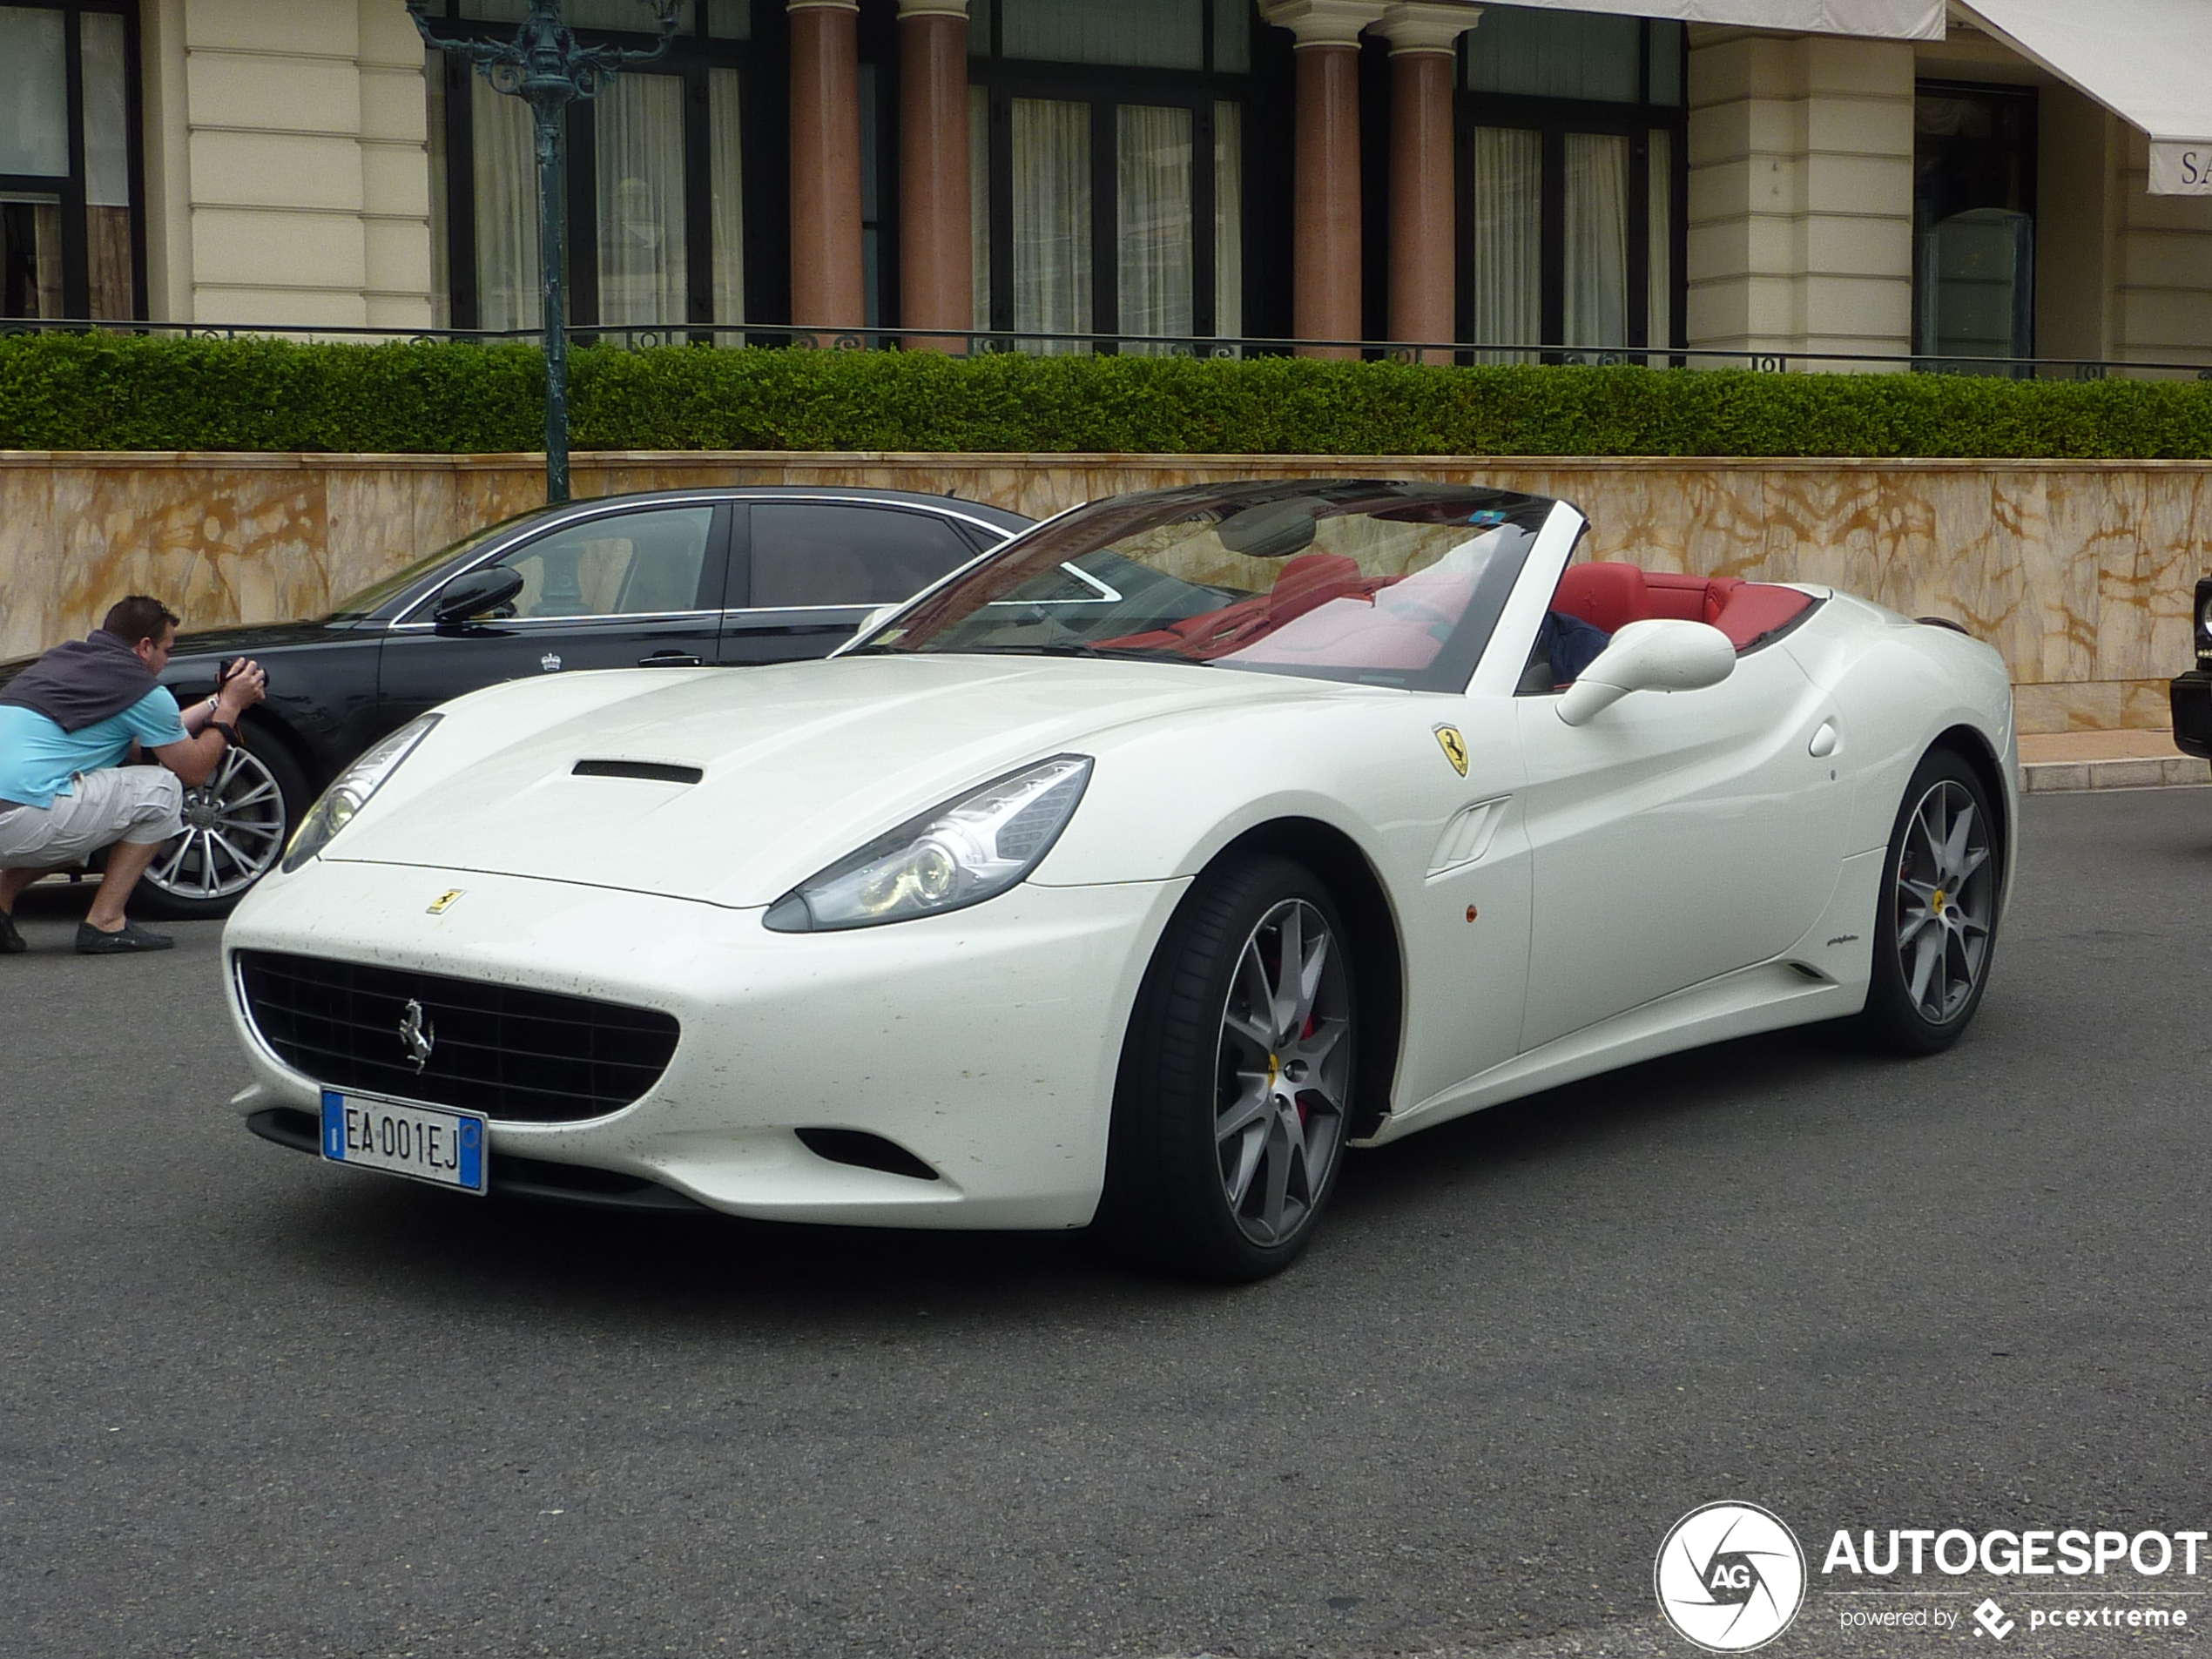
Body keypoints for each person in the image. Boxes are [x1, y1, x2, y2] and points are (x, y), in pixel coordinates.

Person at [0, 596, 266, 954]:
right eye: (167, 650)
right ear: (145, 647)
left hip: (17, 812)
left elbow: (144, 742)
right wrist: (233, 706)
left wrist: (216, 702)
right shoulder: (140, 690)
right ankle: (106, 922)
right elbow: (194, 769)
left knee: (99, 805)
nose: (167, 660)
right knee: (162, 789)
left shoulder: (61, 663)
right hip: (18, 819)